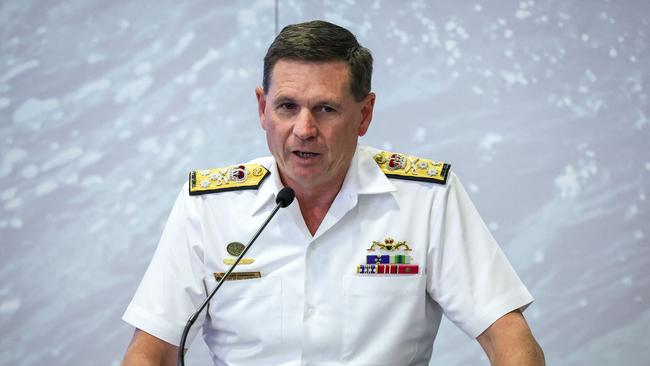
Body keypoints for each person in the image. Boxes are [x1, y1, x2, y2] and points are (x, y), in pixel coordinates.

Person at [121, 20, 545, 366]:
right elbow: (152, 351)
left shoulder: (426, 199)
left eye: (325, 109)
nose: (303, 130)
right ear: (261, 108)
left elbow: (506, 336)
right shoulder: (208, 206)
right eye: (287, 107)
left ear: (364, 114)